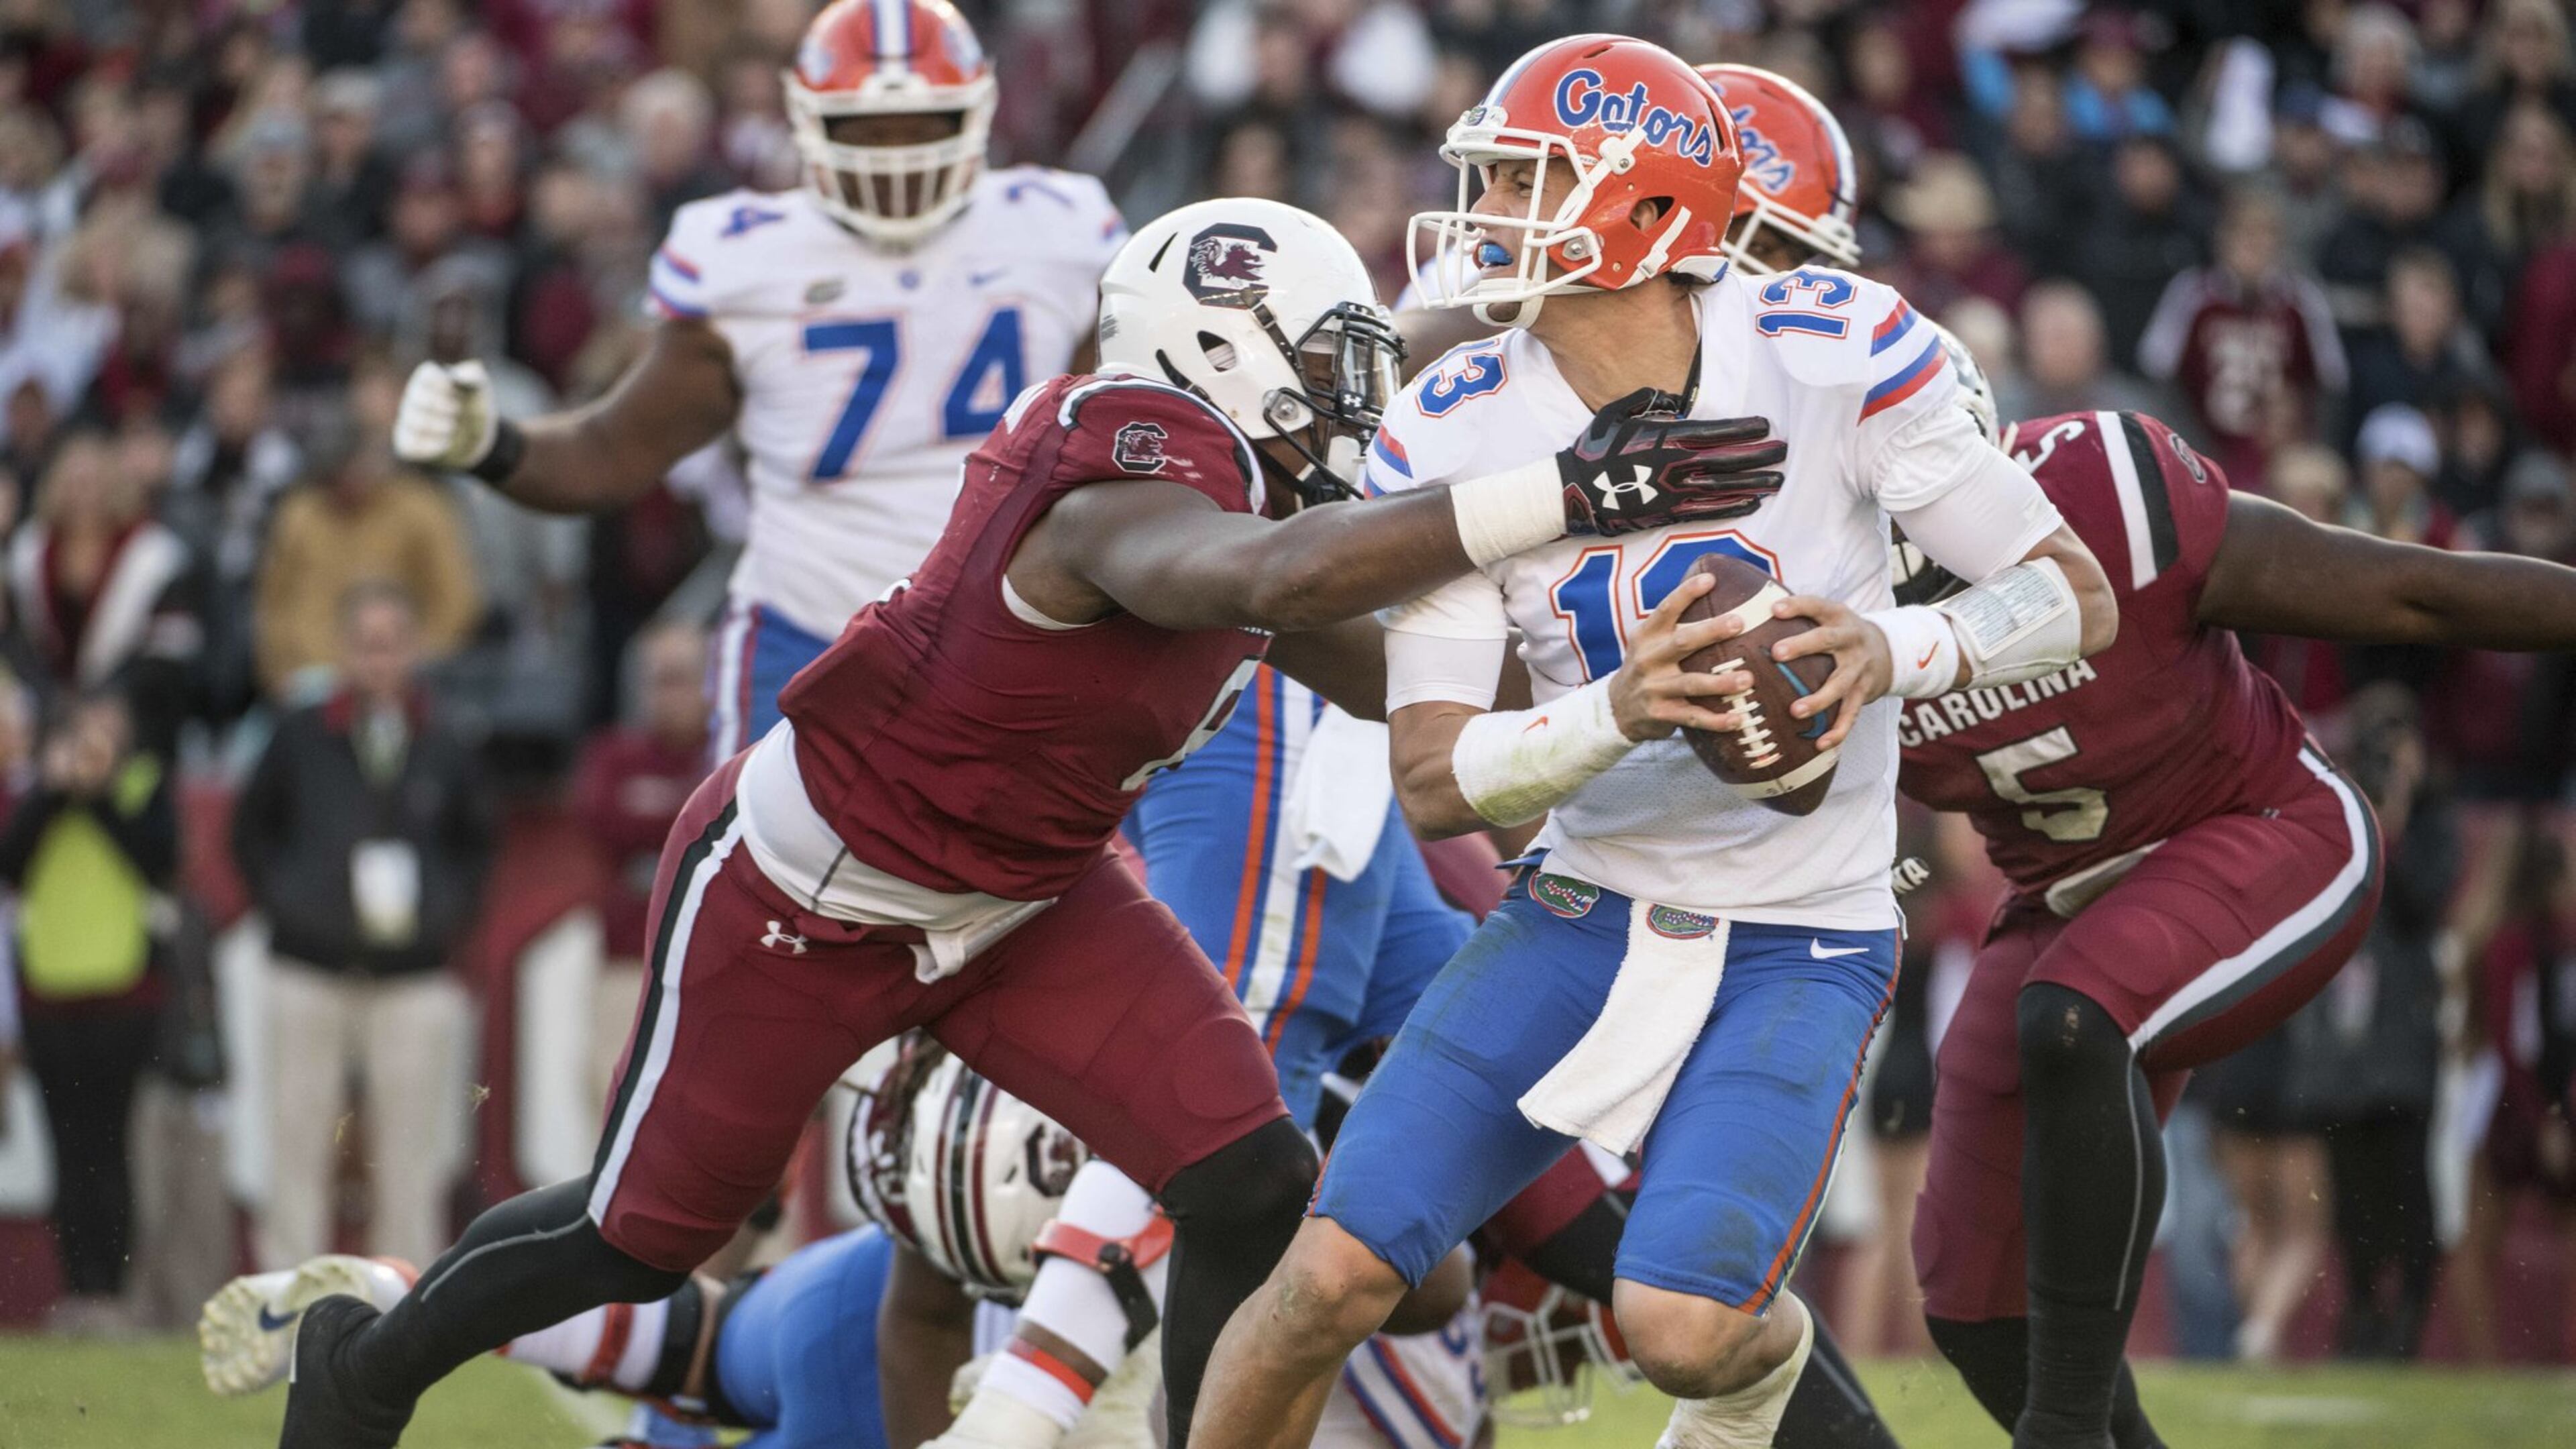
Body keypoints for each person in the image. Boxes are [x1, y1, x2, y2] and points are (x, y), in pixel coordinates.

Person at [272, 189, 1784, 1449]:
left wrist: (1645, 675)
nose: (1355, 397)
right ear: (1218, 347)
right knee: (639, 1234)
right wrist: (1561, 494)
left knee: (1249, 1177)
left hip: (1030, 902)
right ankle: (366, 1369)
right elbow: (1260, 582)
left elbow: (1401, 683)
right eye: (1328, 360)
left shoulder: (1240, 503)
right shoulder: (1122, 457)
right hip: (814, 893)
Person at [1195, 38, 2116, 1449]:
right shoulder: (1459, 413)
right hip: (1579, 906)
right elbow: (1434, 778)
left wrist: (1890, 649)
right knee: (1323, 1281)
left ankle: (1753, 1378)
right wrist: (1613, 713)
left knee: (1682, 1335)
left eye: (1521, 179)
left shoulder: (1825, 346)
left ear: (1642, 213)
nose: (1486, 211)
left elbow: (2072, 592)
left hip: (1798, 929)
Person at [1890, 356, 2576, 1444]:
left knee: (2068, 1018)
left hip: (2262, 830)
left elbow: (2409, 586)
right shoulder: (1809, 595)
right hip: (2063, 896)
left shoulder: (2114, 496)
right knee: (1976, 1311)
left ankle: (2059, 1435)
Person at [392, 0, 1129, 760]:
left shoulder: (1060, 232)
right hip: (809, 622)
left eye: (924, 123)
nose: (895, 156)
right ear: (809, 122)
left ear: (976, 113)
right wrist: (493, 443)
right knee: (757, 875)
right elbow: (614, 450)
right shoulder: (749, 258)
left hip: (1012, 632)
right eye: (864, 129)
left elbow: (1126, 441)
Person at [230, 580, 496, 1271]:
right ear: (345, 649)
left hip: (411, 976)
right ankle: (289, 1303)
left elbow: (478, 845)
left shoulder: (444, 739)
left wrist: (441, 916)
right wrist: (292, 904)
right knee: (296, 1145)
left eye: (391, 643)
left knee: (411, 1153)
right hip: (308, 967)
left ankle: (402, 1308)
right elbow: (250, 831)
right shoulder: (300, 733)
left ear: (413, 649)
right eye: (366, 643)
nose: (379, 659)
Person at [0, 687, 175, 1332]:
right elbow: (11, 862)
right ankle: (79, 1290)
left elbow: (159, 861)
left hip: (125, 996)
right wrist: (54, 791)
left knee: (113, 1147)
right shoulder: (34, 790)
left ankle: (114, 1290)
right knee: (68, 1149)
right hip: (50, 993)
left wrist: (97, 796)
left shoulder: (143, 786)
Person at [570, 623, 711, 1112]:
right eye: (659, 679)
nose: (670, 694)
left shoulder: (730, 755)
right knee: (615, 1101)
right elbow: (603, 819)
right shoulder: (612, 756)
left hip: (710, 971)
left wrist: (659, 824)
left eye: (683, 678)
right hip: (630, 962)